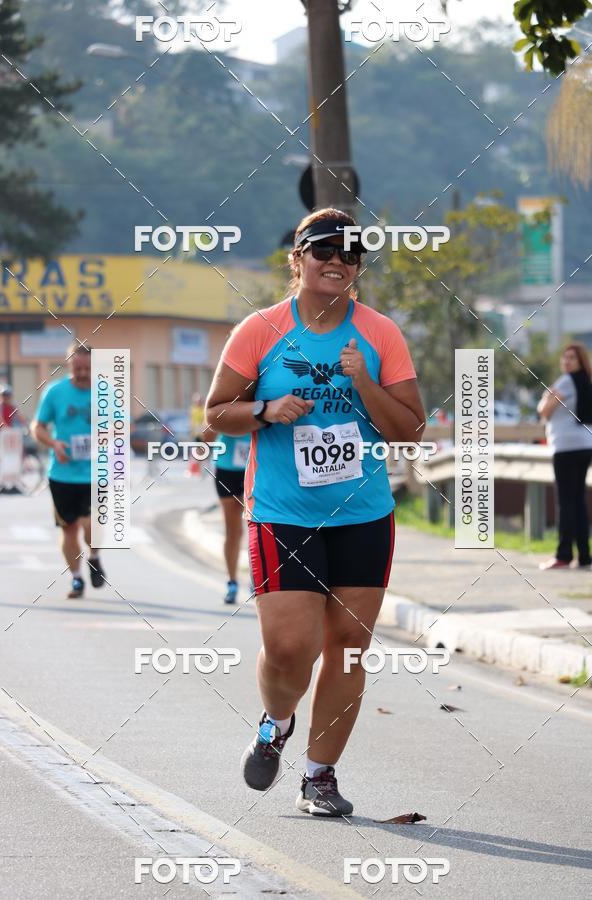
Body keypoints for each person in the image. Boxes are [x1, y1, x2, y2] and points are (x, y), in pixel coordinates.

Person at [205, 207, 424, 817]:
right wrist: (266, 410)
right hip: (283, 513)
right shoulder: (261, 329)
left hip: (363, 514)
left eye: (350, 253)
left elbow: (410, 431)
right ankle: (276, 722)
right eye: (324, 249)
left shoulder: (379, 333)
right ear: (297, 258)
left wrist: (366, 385)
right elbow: (216, 412)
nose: (337, 261)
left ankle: (320, 777)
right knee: (288, 648)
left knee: (350, 646)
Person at [31, 343, 106, 599]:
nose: (82, 373)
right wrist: (53, 443)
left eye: (86, 368)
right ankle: (76, 579)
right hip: (62, 473)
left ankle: (94, 556)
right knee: (69, 529)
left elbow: (122, 426)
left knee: (90, 523)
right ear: (69, 365)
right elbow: (38, 426)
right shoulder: (55, 392)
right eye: (77, 368)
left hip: (95, 473)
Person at [538, 342, 592, 570]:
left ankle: (563, 555)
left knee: (566, 501)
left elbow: (544, 411)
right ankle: (584, 555)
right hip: (585, 444)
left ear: (580, 361)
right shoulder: (586, 382)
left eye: (572, 358)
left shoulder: (566, 381)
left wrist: (545, 397)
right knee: (578, 501)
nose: (567, 362)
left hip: (566, 447)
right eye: (565, 357)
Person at [204, 425, 252, 604]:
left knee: (256, 527)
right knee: (233, 531)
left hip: (255, 466)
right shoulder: (225, 399)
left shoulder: (262, 398)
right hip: (227, 469)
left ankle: (254, 580)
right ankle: (232, 582)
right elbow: (207, 437)